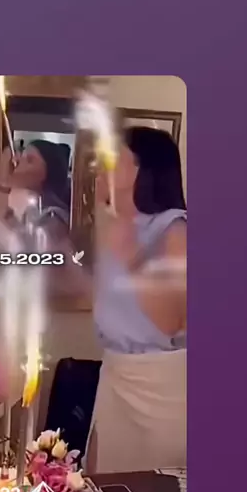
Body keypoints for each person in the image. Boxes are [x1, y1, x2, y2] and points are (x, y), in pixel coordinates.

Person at [86, 126, 187, 474]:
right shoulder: (115, 226)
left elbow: (169, 321)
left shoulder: (175, 230)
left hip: (160, 390)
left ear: (142, 169)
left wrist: (127, 250)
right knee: (98, 487)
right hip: (115, 378)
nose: (102, 164)